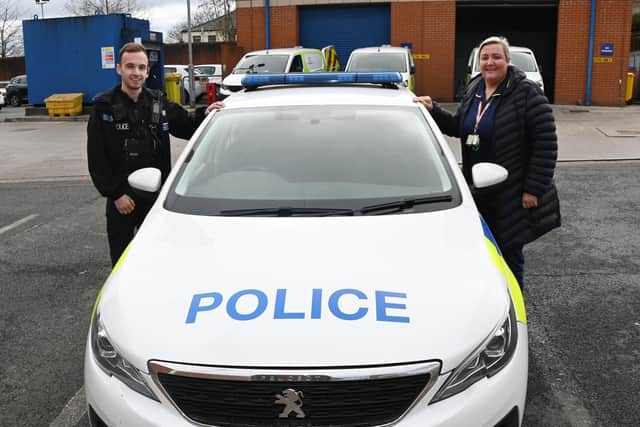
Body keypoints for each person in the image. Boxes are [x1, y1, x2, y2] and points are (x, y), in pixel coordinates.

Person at [413, 36, 560, 288]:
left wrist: (532, 189)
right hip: (478, 190)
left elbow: (546, 144)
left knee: (509, 252)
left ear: (507, 61)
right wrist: (433, 110)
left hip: (512, 191)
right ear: (478, 62)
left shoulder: (526, 93)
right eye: (485, 57)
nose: (490, 62)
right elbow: (460, 126)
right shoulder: (476, 88)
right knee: (483, 250)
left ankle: (512, 306)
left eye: (496, 57)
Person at [88, 42, 224, 266]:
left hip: (155, 198)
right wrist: (116, 194)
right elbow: (97, 158)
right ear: (119, 69)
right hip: (123, 199)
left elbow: (186, 125)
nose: (136, 73)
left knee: (157, 258)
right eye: (130, 67)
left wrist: (206, 114)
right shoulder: (104, 107)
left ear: (147, 71)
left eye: (141, 68)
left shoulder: (157, 101)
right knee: (122, 260)